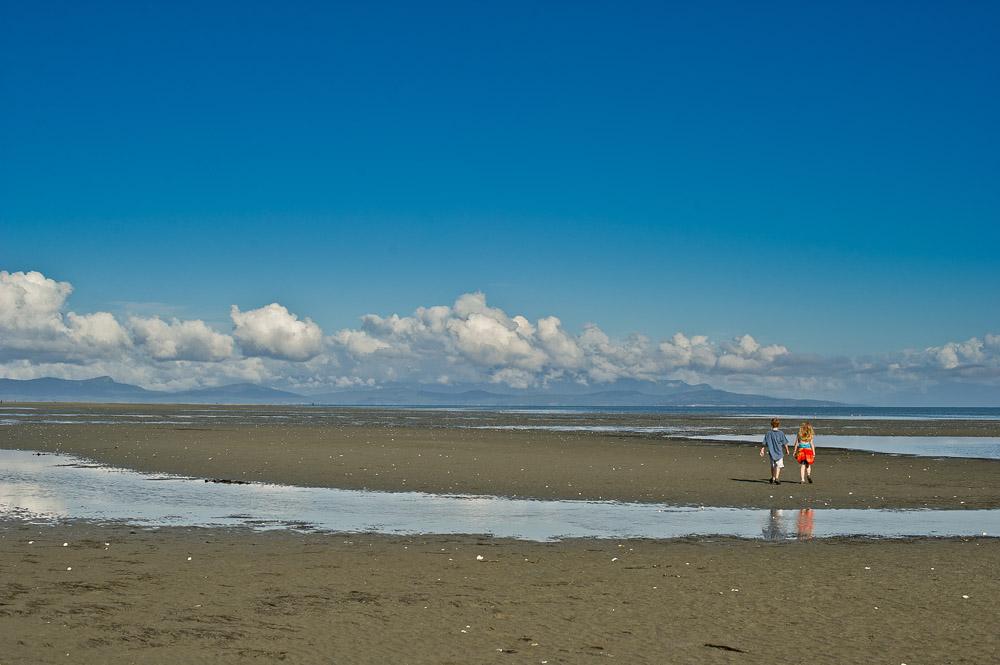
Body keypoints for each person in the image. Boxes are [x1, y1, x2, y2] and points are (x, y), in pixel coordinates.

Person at [760, 417, 790, 484]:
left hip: (772, 452)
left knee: (773, 465)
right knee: (778, 465)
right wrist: (787, 449)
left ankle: (773, 477)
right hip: (779, 452)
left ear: (771, 424)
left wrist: (762, 450)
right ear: (778, 424)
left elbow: (764, 442)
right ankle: (776, 478)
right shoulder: (781, 433)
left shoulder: (768, 433)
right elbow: (785, 442)